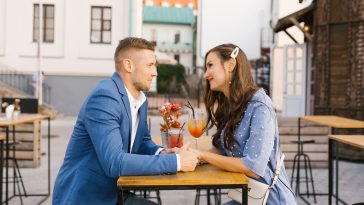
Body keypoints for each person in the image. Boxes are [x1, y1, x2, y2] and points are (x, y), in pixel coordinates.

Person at [53, 37, 199, 205]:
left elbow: (143, 141)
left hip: (114, 194)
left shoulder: (139, 99)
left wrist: (162, 153)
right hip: (87, 197)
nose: (155, 73)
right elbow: (114, 162)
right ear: (128, 65)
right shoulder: (105, 97)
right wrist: (177, 162)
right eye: (150, 65)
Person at [193, 44, 296, 204]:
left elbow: (253, 167)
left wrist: (202, 155)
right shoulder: (230, 105)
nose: (206, 74)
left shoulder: (260, 105)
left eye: (210, 65)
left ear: (231, 65)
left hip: (271, 199)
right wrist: (188, 156)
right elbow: (220, 148)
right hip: (245, 197)